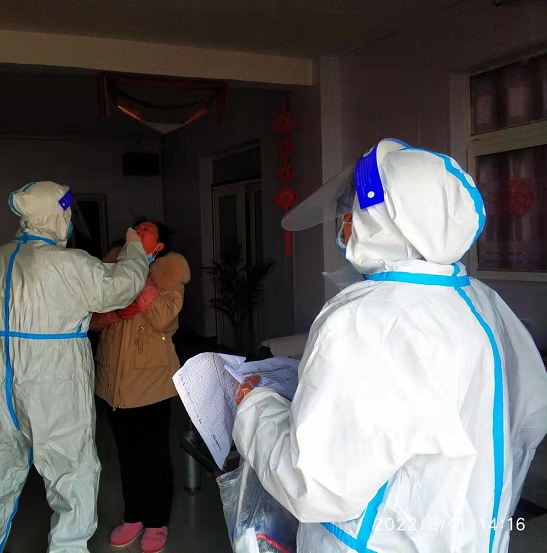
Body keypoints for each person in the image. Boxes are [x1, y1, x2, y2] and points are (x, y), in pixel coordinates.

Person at [233, 139, 547, 552]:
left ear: (380, 220)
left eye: (352, 211)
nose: (344, 224)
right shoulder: (483, 302)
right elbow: (529, 418)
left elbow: (315, 485)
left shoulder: (364, 319)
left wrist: (253, 407)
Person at [0, 181, 150, 553]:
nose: (70, 220)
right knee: (72, 476)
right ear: (56, 214)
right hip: (52, 381)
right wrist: (135, 249)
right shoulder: (68, 263)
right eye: (67, 212)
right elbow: (120, 287)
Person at [90, 220, 190, 553]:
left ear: (158, 246)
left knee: (154, 455)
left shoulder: (169, 274)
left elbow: (163, 317)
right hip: (113, 382)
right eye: (138, 227)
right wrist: (119, 298)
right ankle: (133, 516)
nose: (140, 229)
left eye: (148, 229)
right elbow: (94, 317)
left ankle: (156, 520)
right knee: (127, 453)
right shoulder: (112, 268)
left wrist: (139, 277)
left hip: (151, 383)